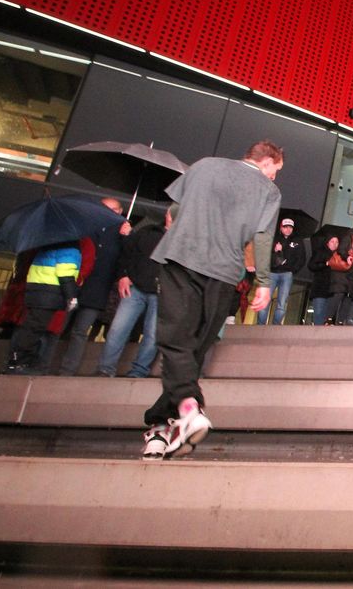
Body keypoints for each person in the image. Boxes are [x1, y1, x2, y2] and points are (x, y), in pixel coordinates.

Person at [140, 140, 282, 459]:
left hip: (182, 257)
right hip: (223, 271)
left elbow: (174, 210)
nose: (274, 177)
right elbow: (262, 236)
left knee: (177, 340)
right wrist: (262, 281)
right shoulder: (269, 192)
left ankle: (162, 425)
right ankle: (187, 410)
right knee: (195, 346)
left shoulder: (203, 165)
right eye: (276, 170)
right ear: (267, 160)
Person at [57, 197, 128, 375]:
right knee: (58, 326)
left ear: (120, 212)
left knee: (80, 332)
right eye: (105, 208)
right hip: (74, 285)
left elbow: (125, 260)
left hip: (97, 290)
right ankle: (44, 363)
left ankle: (67, 370)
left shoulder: (121, 232)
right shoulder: (87, 225)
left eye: (113, 209)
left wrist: (127, 237)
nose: (108, 212)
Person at [96, 208, 170, 378]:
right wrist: (123, 275)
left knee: (152, 334)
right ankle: (106, 368)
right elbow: (126, 253)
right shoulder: (148, 232)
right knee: (118, 329)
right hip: (136, 287)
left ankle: (138, 371)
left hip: (162, 292)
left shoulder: (185, 239)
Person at [4, 242, 82, 374]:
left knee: (29, 326)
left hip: (36, 289)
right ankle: (20, 363)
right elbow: (65, 273)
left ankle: (17, 361)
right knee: (34, 329)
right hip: (49, 293)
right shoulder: (70, 247)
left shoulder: (47, 245)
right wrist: (72, 296)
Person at [256, 218, 306, 325]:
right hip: (272, 273)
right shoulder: (274, 238)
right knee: (265, 301)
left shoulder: (297, 240)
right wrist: (275, 250)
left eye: (290, 227)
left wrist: (292, 270)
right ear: (281, 227)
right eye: (285, 227)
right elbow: (264, 254)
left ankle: (275, 326)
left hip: (287, 274)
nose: (288, 229)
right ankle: (260, 326)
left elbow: (301, 258)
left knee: (282, 303)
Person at [307, 236, 337, 325]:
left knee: (326, 316)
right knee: (319, 313)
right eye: (332, 241)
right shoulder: (321, 252)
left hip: (332, 290)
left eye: (336, 242)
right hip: (320, 288)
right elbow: (311, 265)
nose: (334, 243)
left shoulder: (338, 256)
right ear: (327, 243)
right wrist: (326, 263)